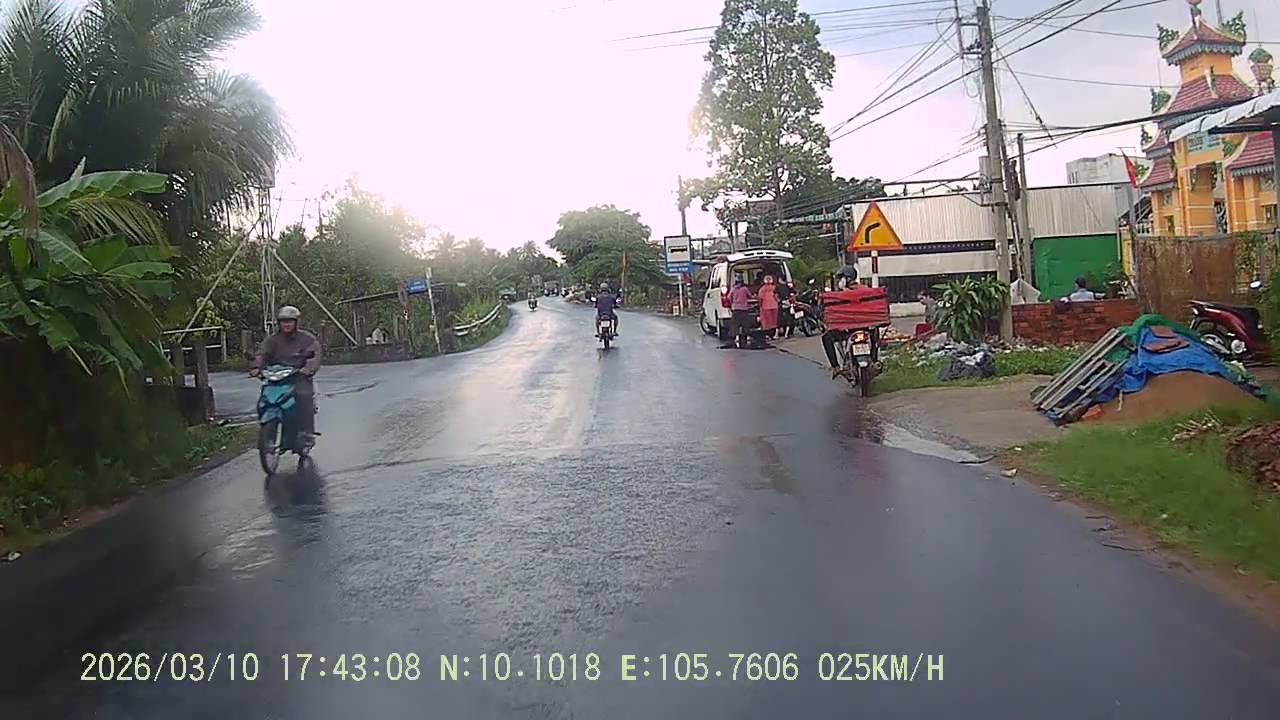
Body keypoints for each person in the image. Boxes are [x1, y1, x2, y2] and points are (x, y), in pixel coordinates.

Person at [252, 306, 322, 440]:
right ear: (279, 323)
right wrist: (256, 367)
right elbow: (261, 354)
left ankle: (307, 432)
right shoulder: (272, 340)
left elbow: (314, 355)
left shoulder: (307, 339)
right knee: (265, 397)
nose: (287, 324)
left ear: (296, 322)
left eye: (290, 321)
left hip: (298, 377)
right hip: (276, 377)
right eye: (284, 321)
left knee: (304, 395)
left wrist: (307, 369)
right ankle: (266, 427)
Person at [821, 265, 860, 377]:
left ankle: (836, 367)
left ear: (847, 278)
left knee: (826, 338)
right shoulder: (865, 289)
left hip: (847, 329)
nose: (839, 282)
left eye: (841, 278)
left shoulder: (838, 296)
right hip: (866, 326)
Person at [726, 276, 755, 348]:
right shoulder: (745, 289)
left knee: (735, 324)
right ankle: (747, 337)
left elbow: (728, 297)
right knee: (745, 324)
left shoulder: (733, 289)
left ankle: (737, 337)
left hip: (735, 309)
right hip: (744, 309)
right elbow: (750, 296)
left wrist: (733, 303)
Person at [758, 274, 780, 339]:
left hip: (765, 307)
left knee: (766, 321)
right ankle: (774, 334)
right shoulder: (774, 288)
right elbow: (777, 297)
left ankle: (767, 334)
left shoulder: (762, 289)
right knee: (774, 321)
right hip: (774, 306)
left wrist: (760, 305)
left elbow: (760, 298)